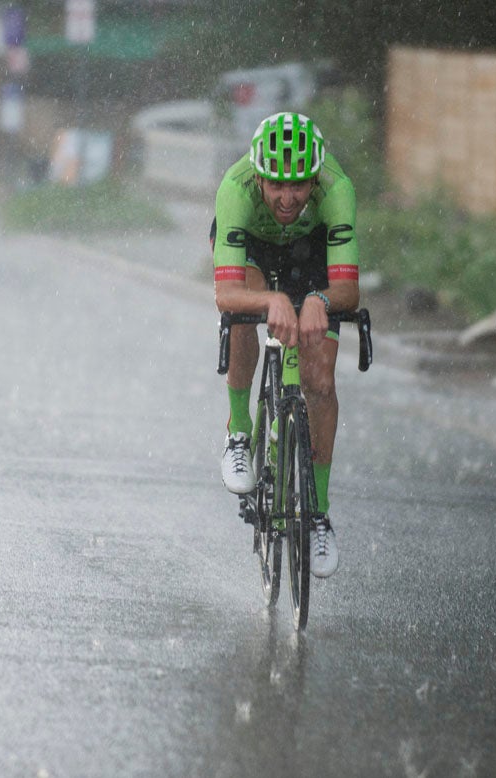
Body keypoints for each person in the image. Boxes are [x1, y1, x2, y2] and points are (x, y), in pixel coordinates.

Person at [211, 112, 359, 579]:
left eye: (299, 185)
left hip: (311, 254)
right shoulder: (235, 189)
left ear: (315, 176)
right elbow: (226, 295)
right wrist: (271, 299)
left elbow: (349, 290)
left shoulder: (336, 191)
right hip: (254, 251)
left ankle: (317, 515)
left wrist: (317, 299)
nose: (287, 197)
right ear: (258, 174)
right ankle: (239, 432)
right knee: (242, 318)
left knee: (319, 379)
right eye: (276, 185)